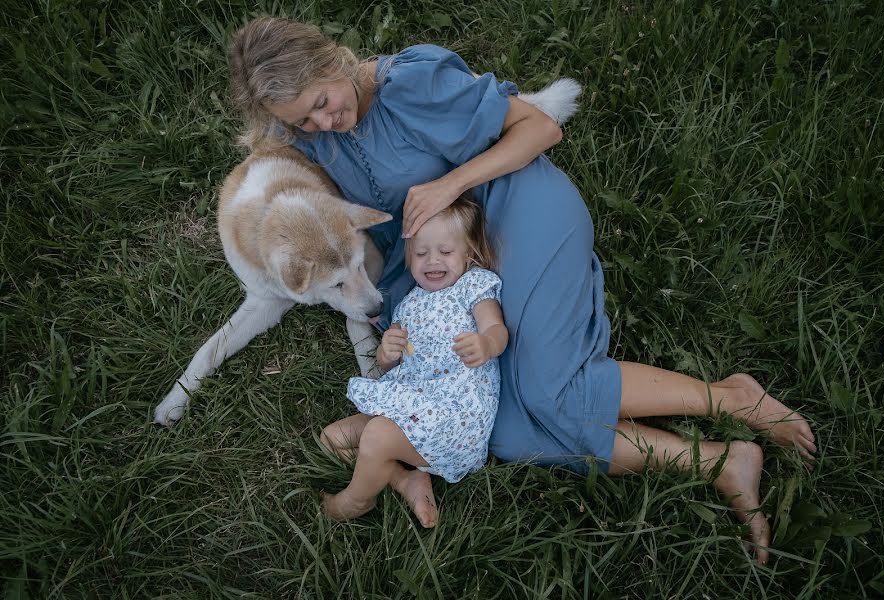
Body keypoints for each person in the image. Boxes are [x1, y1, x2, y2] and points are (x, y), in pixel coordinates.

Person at [227, 17, 817, 563]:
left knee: (548, 388)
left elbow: (540, 126)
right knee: (504, 431)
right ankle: (719, 462)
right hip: (435, 260)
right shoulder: (304, 137)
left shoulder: (412, 80)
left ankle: (733, 400)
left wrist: (449, 183)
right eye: (303, 120)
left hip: (513, 204)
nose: (321, 125)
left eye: (323, 104)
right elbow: (271, 188)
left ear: (331, 62)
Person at [318, 196, 506, 524]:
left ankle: (355, 501)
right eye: (421, 253)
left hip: (453, 421)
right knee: (333, 439)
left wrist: (487, 344)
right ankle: (406, 481)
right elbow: (397, 365)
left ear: (469, 254)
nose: (432, 261)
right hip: (412, 406)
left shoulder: (472, 285)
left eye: (446, 252)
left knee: (375, 435)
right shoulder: (409, 305)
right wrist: (386, 353)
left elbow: (496, 328)